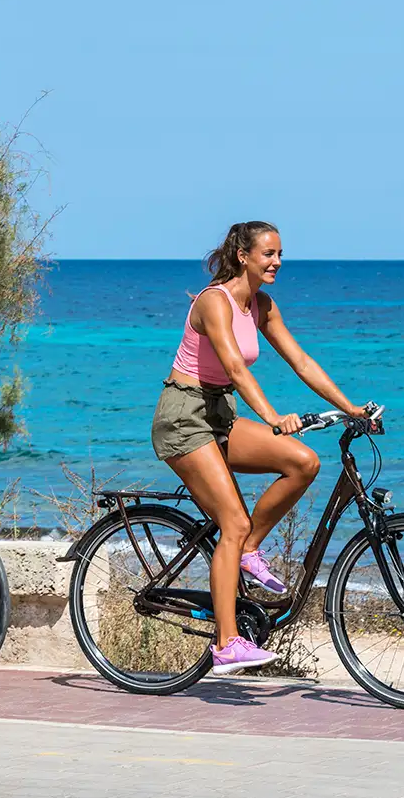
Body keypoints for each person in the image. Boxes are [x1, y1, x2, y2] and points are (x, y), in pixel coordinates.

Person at [152, 220, 377, 676]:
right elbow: (234, 367)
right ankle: (226, 644)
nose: (276, 262)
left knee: (302, 462)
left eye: (279, 255)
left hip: (220, 414)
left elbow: (301, 360)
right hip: (183, 417)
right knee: (231, 522)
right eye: (267, 254)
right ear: (243, 256)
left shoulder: (262, 304)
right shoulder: (214, 302)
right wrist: (274, 418)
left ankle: (249, 549)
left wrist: (351, 407)